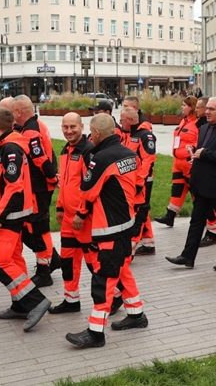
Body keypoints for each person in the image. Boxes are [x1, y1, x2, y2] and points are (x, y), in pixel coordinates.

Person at [65, 113, 147, 348]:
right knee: (122, 271)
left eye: (91, 133)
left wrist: (80, 213)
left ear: (98, 134)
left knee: (103, 279)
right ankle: (136, 314)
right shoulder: (129, 154)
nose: (90, 137)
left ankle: (95, 333)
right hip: (126, 224)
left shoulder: (100, 159)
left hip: (109, 228)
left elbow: (87, 190)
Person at [0, 108, 51, 330]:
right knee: (13, 260)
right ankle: (20, 305)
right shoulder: (5, 147)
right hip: (12, 215)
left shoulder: (10, 148)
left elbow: (14, 186)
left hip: (8, 217)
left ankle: (35, 301)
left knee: (0, 262)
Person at [166, 97, 216, 270]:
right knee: (196, 222)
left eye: (211, 109)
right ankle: (187, 256)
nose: (207, 112)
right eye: (206, 108)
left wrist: (204, 153)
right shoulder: (205, 127)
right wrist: (196, 155)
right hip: (201, 184)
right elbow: (201, 152)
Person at [12, 95, 61, 286]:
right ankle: (51, 259)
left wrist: (51, 177)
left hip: (37, 187)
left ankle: (44, 269)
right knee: (38, 227)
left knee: (36, 228)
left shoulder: (30, 132)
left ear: (19, 112)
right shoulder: (38, 125)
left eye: (13, 112)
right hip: (41, 186)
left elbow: (40, 159)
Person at [49, 113, 95, 314]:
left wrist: (82, 214)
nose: (69, 131)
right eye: (65, 127)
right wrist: (60, 207)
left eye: (73, 127)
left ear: (81, 126)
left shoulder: (88, 151)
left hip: (84, 219)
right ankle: (71, 300)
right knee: (67, 261)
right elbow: (64, 184)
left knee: (95, 263)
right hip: (68, 219)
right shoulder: (65, 150)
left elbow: (90, 187)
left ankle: (117, 296)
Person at [154, 96, 199, 227]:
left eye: (184, 105)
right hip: (178, 163)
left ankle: (208, 221)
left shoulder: (197, 124)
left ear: (192, 107)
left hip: (189, 164)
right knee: (177, 190)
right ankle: (170, 216)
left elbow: (200, 142)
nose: (182, 107)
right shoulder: (184, 121)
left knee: (196, 193)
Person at [119, 107, 157, 255]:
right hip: (131, 182)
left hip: (141, 182)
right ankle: (144, 242)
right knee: (134, 212)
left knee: (140, 211)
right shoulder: (129, 135)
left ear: (129, 120)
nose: (120, 123)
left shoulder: (144, 136)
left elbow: (148, 160)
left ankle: (131, 247)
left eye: (122, 120)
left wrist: (140, 182)